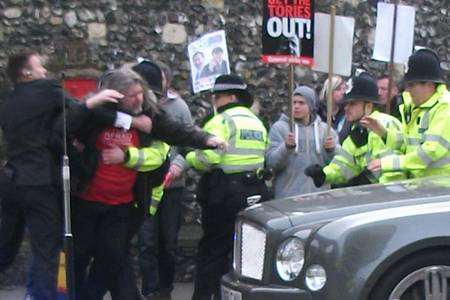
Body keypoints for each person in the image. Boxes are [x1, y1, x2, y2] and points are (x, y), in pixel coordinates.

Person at [67, 68, 222, 300]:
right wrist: (126, 120)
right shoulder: (96, 113)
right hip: (87, 202)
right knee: (79, 257)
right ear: (116, 96)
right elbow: (65, 126)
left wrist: (206, 140)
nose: (139, 98)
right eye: (132, 95)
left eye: (141, 92)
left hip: (121, 205)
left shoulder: (148, 114)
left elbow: (174, 130)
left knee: (113, 259)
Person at [0, 50, 121, 300]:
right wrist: (98, 104)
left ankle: (35, 293)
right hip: (39, 181)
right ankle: (42, 296)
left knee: (7, 244)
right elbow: (77, 111)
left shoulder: (8, 100)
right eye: (40, 66)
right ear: (27, 73)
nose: (45, 70)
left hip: (12, 179)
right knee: (47, 249)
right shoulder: (46, 90)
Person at [187, 74, 270, 300]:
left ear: (232, 97)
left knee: (213, 251)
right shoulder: (257, 122)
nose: (215, 101)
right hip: (256, 191)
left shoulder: (221, 121)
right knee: (246, 255)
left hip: (225, 194)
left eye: (218, 96)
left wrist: (191, 158)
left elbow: (209, 158)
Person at [133, 60, 194, 300]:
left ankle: (165, 289)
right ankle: (150, 291)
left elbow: (188, 144)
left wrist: (177, 166)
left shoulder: (179, 107)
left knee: (168, 243)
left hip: (172, 187)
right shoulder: (137, 106)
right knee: (146, 242)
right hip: (145, 185)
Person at [305, 73, 406, 188]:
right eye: (346, 104)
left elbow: (392, 172)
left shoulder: (385, 124)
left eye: (353, 104)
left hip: (389, 197)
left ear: (368, 106)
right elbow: (345, 163)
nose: (346, 108)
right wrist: (324, 174)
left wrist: (377, 191)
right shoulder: (358, 130)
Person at [368, 49, 450, 178]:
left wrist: (390, 163)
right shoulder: (416, 107)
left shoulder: (446, 108)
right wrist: (384, 134)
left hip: (441, 190)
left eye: (412, 85)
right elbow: (410, 144)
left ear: (429, 84)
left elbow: (431, 151)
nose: (408, 90)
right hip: (423, 188)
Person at [266, 86, 338, 199]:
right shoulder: (279, 128)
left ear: (311, 105)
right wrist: (286, 147)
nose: (296, 106)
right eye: (294, 102)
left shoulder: (325, 130)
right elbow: (271, 163)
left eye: (301, 103)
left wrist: (332, 150)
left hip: (319, 197)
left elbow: (339, 163)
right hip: (288, 197)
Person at [317, 75, 351, 143]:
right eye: (338, 89)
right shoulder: (318, 111)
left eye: (344, 89)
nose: (342, 92)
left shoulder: (346, 112)